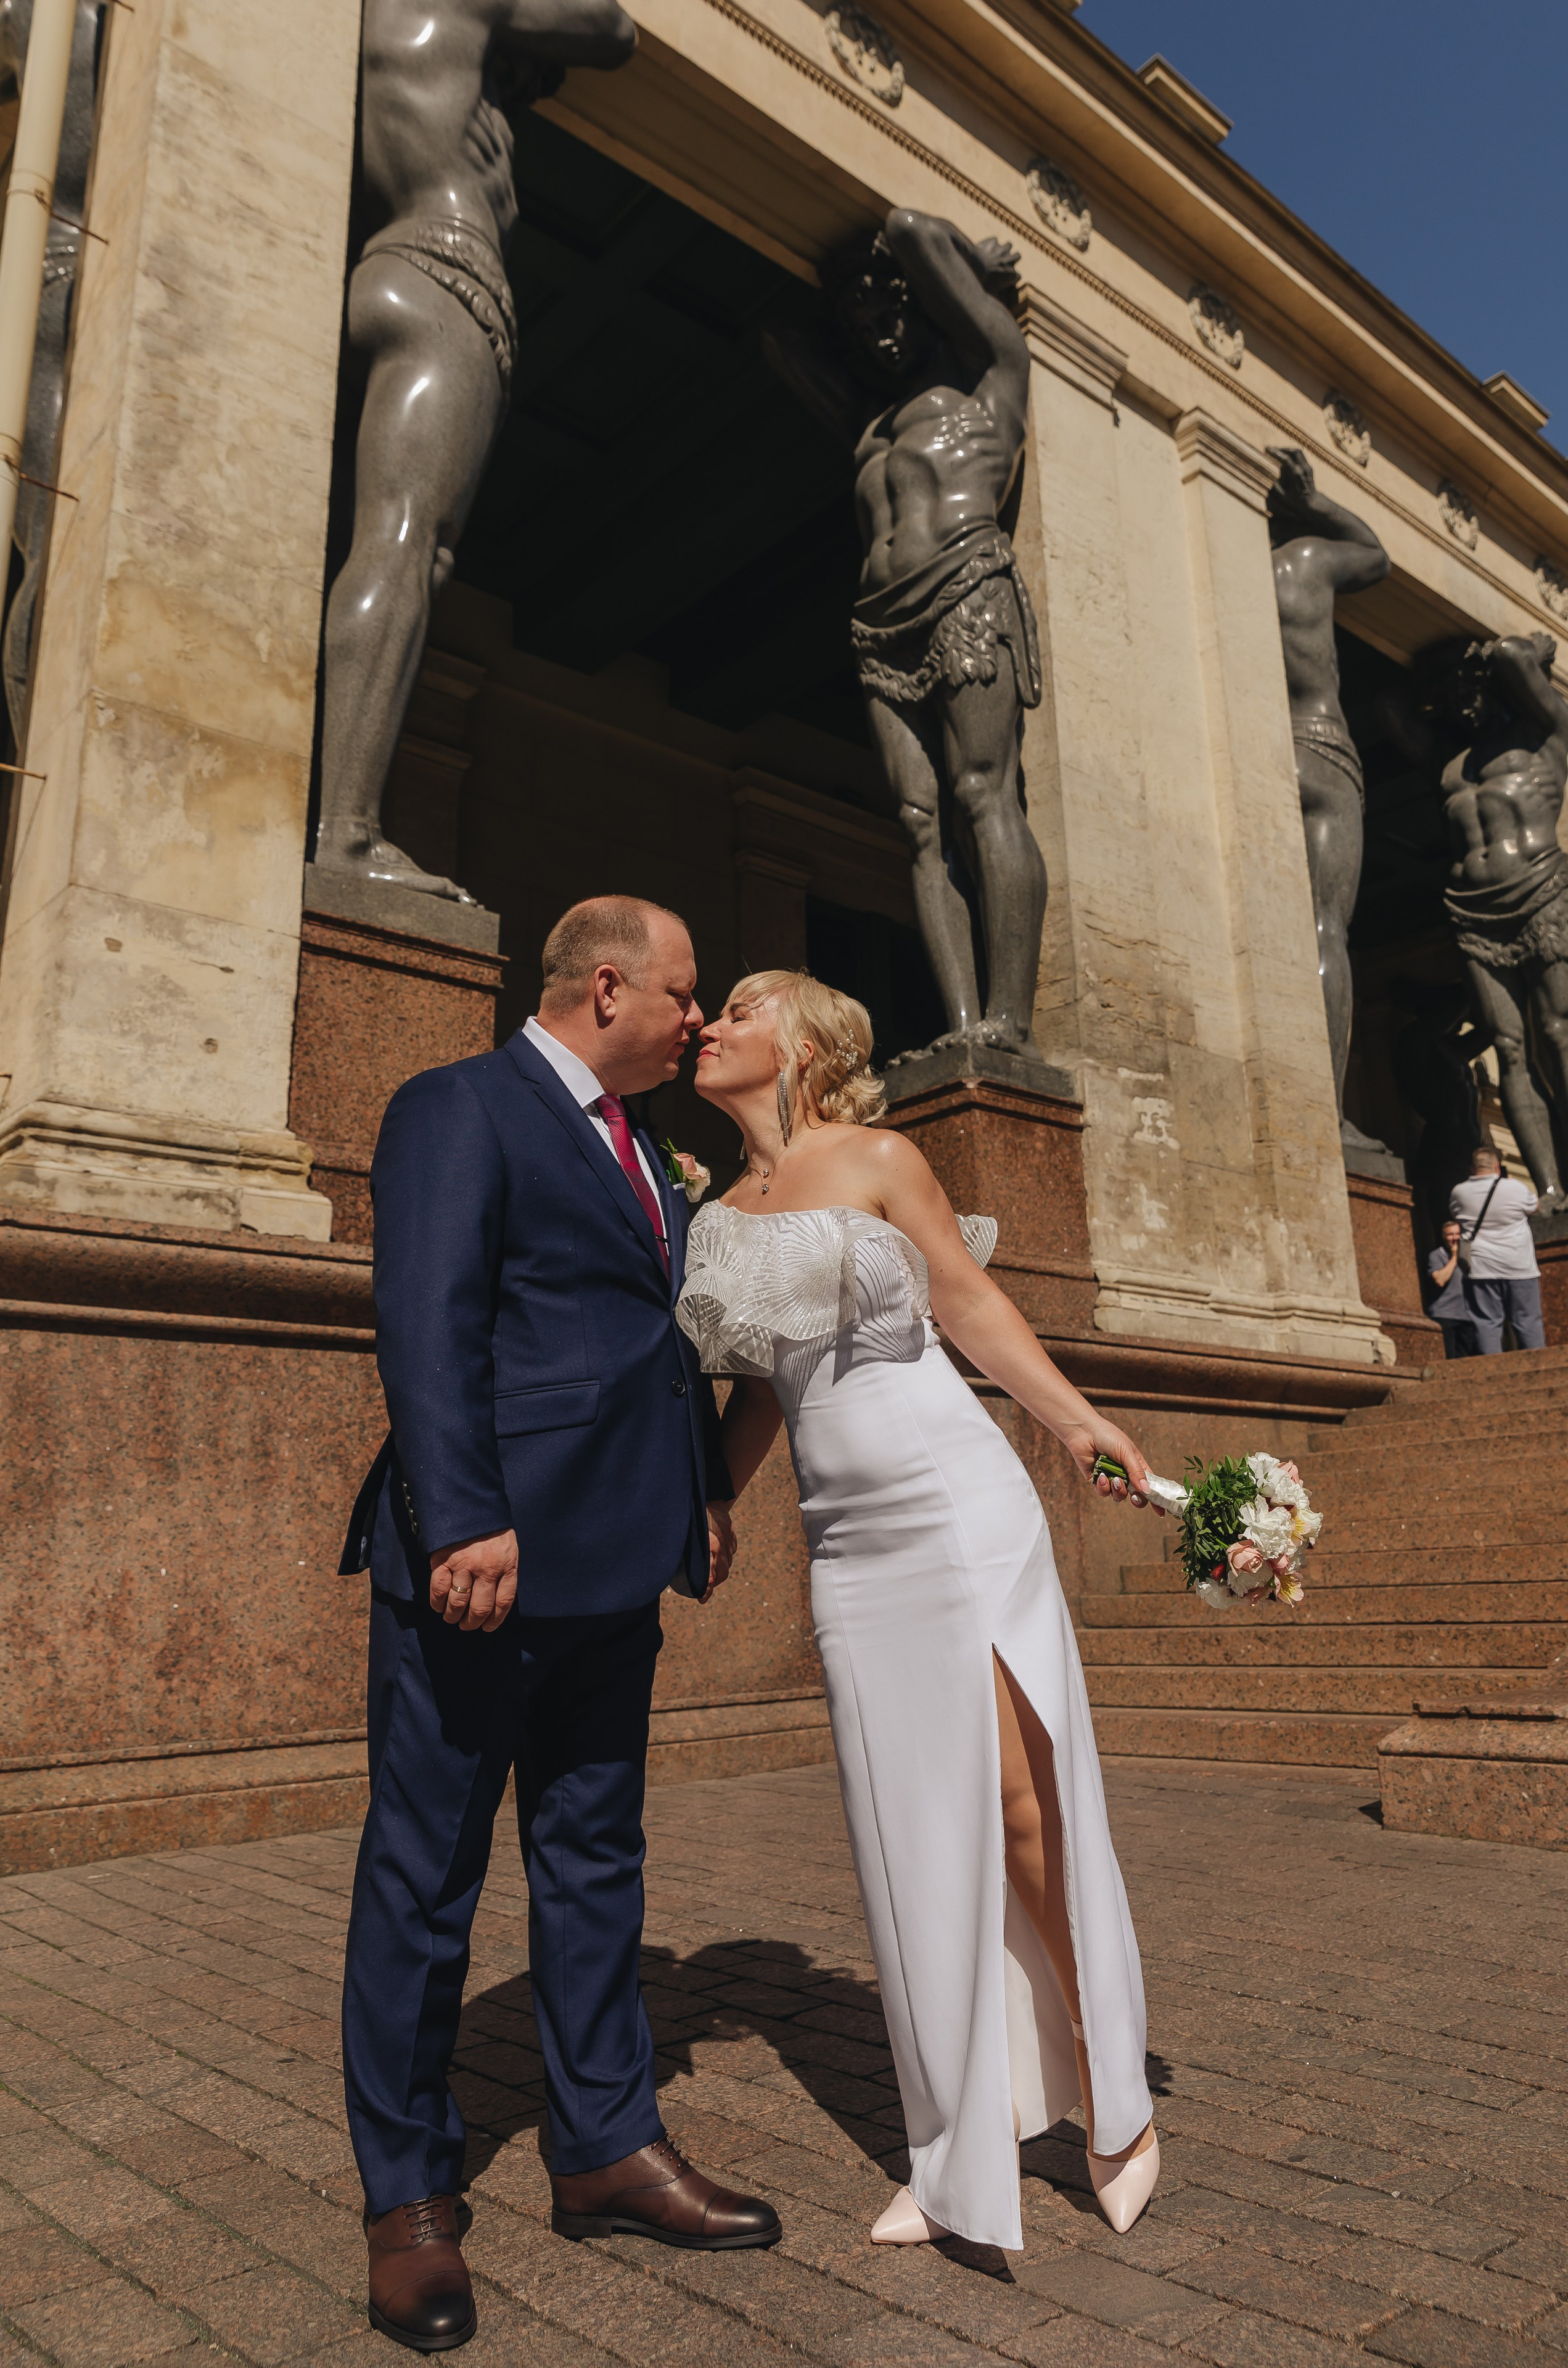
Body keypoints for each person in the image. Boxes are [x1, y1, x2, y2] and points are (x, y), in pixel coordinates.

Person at [340, 896, 779, 2353]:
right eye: (684, 990)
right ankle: (408, 2193)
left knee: (595, 1860)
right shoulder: (459, 1105)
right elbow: (428, 1312)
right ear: (607, 986)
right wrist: (461, 1511)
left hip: (612, 1567)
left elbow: (644, 1344)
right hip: (486, 1562)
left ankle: (602, 2143)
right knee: (426, 1875)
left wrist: (695, 1498)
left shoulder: (646, 1149)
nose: (699, 1018)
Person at [675, 969, 1160, 2252]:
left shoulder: (880, 1155)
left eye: (738, 1004)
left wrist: (1075, 1428)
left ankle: (1113, 2098)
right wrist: (713, 1505)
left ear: (806, 1040)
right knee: (902, 1836)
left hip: (954, 1505)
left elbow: (968, 1302)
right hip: (845, 1547)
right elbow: (767, 1390)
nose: (709, 1024)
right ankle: (953, 2145)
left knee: (1015, 1805)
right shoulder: (717, 1216)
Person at [314, 0, 636, 905]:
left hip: (385, 260)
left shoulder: (392, 33)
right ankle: (346, 833)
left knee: (385, 538)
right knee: (409, 543)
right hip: (452, 271)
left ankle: (332, 817)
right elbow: (616, 31)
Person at [763, 211, 1048, 1061]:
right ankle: (964, 1025)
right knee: (921, 823)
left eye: (886, 311)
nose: (874, 332)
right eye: (857, 321)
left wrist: (966, 267)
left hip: (966, 582)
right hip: (881, 624)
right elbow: (776, 333)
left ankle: (1013, 1021)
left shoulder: (995, 377)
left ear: (925, 304)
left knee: (982, 793)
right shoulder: (869, 421)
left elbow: (910, 226)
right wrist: (849, 307)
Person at [1265, 446, 1389, 1146]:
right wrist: (1315, 504)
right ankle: (1327, 1110)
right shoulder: (1303, 562)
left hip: (1249, 744)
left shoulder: (1230, 568)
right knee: (1324, 927)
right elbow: (1375, 557)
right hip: (1319, 745)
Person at [1439, 634, 1568, 1206]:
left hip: (1541, 891)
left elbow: (1516, 655)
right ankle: (1548, 1188)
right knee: (1509, 1047)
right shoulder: (1450, 769)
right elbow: (1392, 712)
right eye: (1453, 693)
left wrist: (1519, 656)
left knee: (1559, 1034)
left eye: (1472, 689)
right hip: (1474, 913)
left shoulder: (1547, 739)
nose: (1462, 702)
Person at [1450, 1145, 1545, 1355]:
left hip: (1481, 1268)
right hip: (1519, 1266)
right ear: (1497, 1167)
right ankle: (1539, 1367)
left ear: (1472, 1169)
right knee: (1527, 1321)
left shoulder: (1459, 1192)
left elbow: (1456, 1215)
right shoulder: (1516, 1188)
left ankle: (1493, 1370)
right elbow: (1535, 1208)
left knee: (1486, 1324)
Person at [1425, 1220, 1477, 1359]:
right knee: (1450, 1360)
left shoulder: (1470, 1255)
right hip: (1445, 1315)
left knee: (1468, 1361)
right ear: (1444, 1237)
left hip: (1468, 1316)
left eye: (1458, 1234)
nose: (1455, 1238)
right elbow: (1440, 1280)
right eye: (1450, 1235)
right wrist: (1455, 1257)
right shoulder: (1436, 1256)